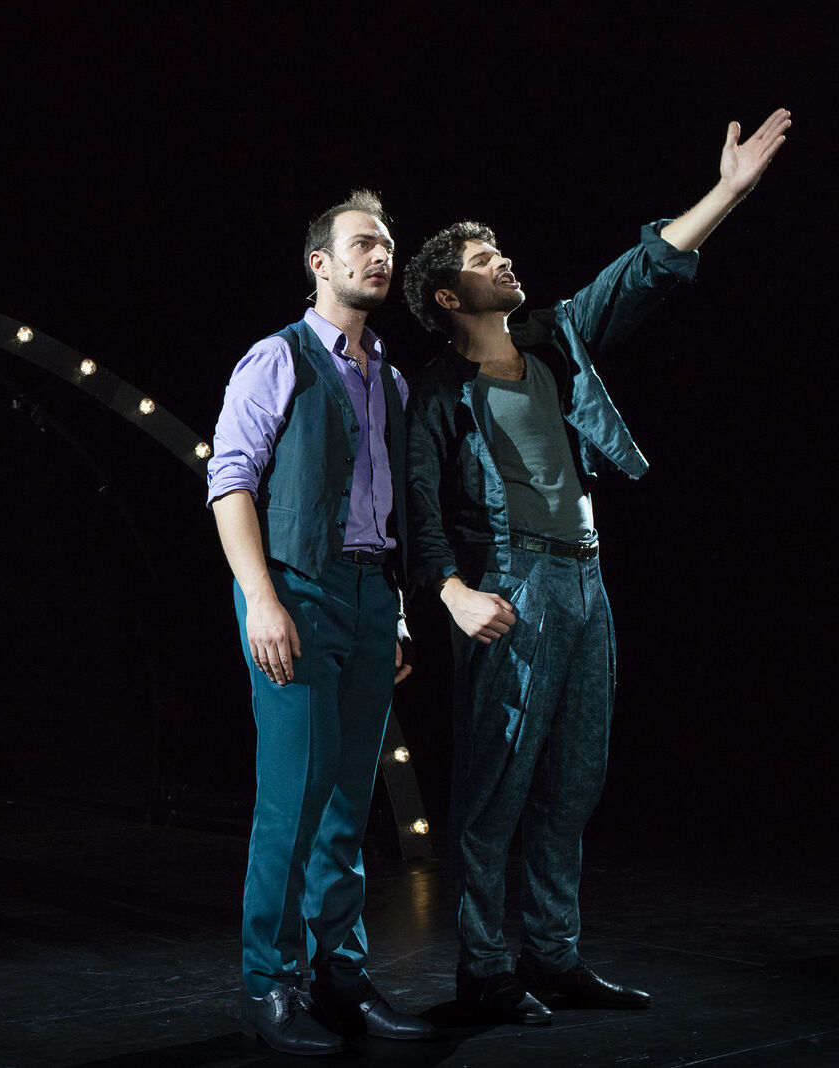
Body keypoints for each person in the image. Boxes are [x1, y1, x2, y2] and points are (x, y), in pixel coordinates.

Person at [401, 109, 791, 1025]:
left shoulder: (556, 338)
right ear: (449, 296)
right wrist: (453, 594)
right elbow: (418, 509)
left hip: (586, 580)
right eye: (483, 258)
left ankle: (554, 955)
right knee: (496, 786)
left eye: (500, 249)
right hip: (511, 587)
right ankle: (485, 969)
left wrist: (729, 193)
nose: (503, 259)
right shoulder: (438, 392)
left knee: (574, 781)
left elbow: (643, 269)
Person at [207, 190, 433, 1055]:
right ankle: (269, 982)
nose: (381, 256)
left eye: (387, 246)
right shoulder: (278, 358)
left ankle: (342, 977)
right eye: (363, 243)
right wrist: (262, 598)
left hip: (372, 596)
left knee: (348, 801)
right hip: (296, 588)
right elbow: (230, 480)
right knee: (294, 795)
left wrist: (397, 610)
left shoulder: (392, 381)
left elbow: (384, 511)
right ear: (321, 264)